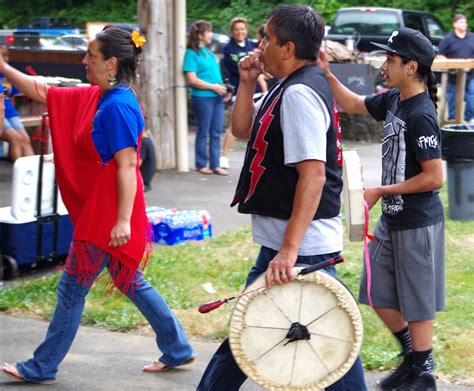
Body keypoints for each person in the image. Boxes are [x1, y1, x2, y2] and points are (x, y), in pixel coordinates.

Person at [0, 27, 196, 384]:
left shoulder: (118, 106)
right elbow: (45, 91)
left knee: (73, 288)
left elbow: (127, 165)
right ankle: (178, 348)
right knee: (128, 280)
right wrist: (3, 68)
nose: (83, 61)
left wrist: (122, 221)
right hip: (105, 207)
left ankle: (42, 366)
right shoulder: (99, 96)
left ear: (110, 64)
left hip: (108, 213)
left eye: (89, 56)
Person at [197, 5, 367, 390]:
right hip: (286, 243)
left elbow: (314, 176)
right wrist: (246, 81)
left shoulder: (300, 94)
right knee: (267, 332)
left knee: (303, 338)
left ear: (287, 48)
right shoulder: (286, 86)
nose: (260, 46)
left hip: (300, 248)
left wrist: (288, 252)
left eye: (267, 39)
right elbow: (241, 128)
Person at [319, 28, 445, 391]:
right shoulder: (394, 99)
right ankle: (413, 360)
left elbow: (434, 177)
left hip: (416, 222)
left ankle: (424, 376)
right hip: (392, 218)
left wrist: (380, 190)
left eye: (390, 59)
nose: (383, 64)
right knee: (376, 294)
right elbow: (355, 103)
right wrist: (328, 74)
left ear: (411, 66)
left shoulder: (421, 114)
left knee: (417, 301)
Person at [219, 17, 268, 169]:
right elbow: (232, 68)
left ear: (246, 30)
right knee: (235, 125)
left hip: (258, 91)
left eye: (242, 29)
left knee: (260, 124)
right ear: (232, 31)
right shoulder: (228, 49)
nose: (240, 32)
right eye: (236, 29)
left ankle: (257, 158)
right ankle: (224, 156)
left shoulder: (253, 44)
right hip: (240, 89)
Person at [183, 20, 230, 176]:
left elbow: (214, 76)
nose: (211, 34)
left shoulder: (208, 53)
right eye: (208, 31)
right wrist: (213, 87)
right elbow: (191, 79)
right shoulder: (191, 53)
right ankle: (201, 163)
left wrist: (223, 88)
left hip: (217, 96)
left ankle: (215, 164)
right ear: (200, 35)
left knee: (216, 132)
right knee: (203, 131)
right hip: (203, 97)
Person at [437, 14, 474, 123]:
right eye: (462, 22)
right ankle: (452, 120)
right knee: (452, 98)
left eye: (465, 22)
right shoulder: (447, 39)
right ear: (454, 24)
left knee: (472, 97)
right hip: (453, 75)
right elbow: (440, 55)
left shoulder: (472, 37)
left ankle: (469, 119)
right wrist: (451, 62)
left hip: (471, 74)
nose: (465, 24)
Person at [0, 46, 34, 162]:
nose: (4, 58)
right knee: (15, 138)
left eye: (5, 55)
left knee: (25, 138)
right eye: (1, 55)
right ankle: (18, 172)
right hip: (1, 114)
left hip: (9, 112)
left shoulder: (8, 74)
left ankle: (32, 172)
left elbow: (12, 96)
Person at [139, 128, 156, 192]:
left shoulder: (143, 142)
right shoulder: (148, 140)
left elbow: (138, 163)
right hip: (147, 180)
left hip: (142, 181)